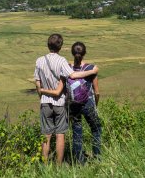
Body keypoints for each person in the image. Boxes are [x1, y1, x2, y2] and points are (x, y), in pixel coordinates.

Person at [34, 34, 98, 165]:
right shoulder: (62, 61)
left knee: (46, 135)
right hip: (60, 102)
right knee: (60, 134)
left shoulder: (39, 60)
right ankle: (59, 165)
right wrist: (92, 72)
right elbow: (73, 75)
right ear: (61, 46)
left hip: (45, 101)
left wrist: (42, 96)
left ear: (48, 45)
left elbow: (37, 83)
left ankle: (45, 166)